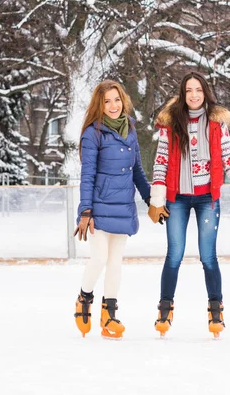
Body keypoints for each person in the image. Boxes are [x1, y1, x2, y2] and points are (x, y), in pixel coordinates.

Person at [148, 72, 230, 337]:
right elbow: (160, 161)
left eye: (198, 90)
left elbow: (229, 158)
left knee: (208, 256)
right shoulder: (170, 124)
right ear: (182, 95)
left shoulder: (217, 123)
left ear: (205, 93)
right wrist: (157, 199)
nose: (194, 95)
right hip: (177, 198)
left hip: (207, 198)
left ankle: (215, 309)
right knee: (174, 255)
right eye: (188, 91)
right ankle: (165, 307)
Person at [73, 80, 150, 339]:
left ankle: (110, 315)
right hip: (99, 208)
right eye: (107, 101)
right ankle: (84, 298)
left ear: (123, 100)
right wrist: (86, 211)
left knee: (116, 261)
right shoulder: (92, 133)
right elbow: (88, 175)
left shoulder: (130, 129)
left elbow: (137, 170)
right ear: (99, 104)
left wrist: (152, 201)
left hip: (123, 206)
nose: (113, 105)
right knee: (99, 258)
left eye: (117, 99)